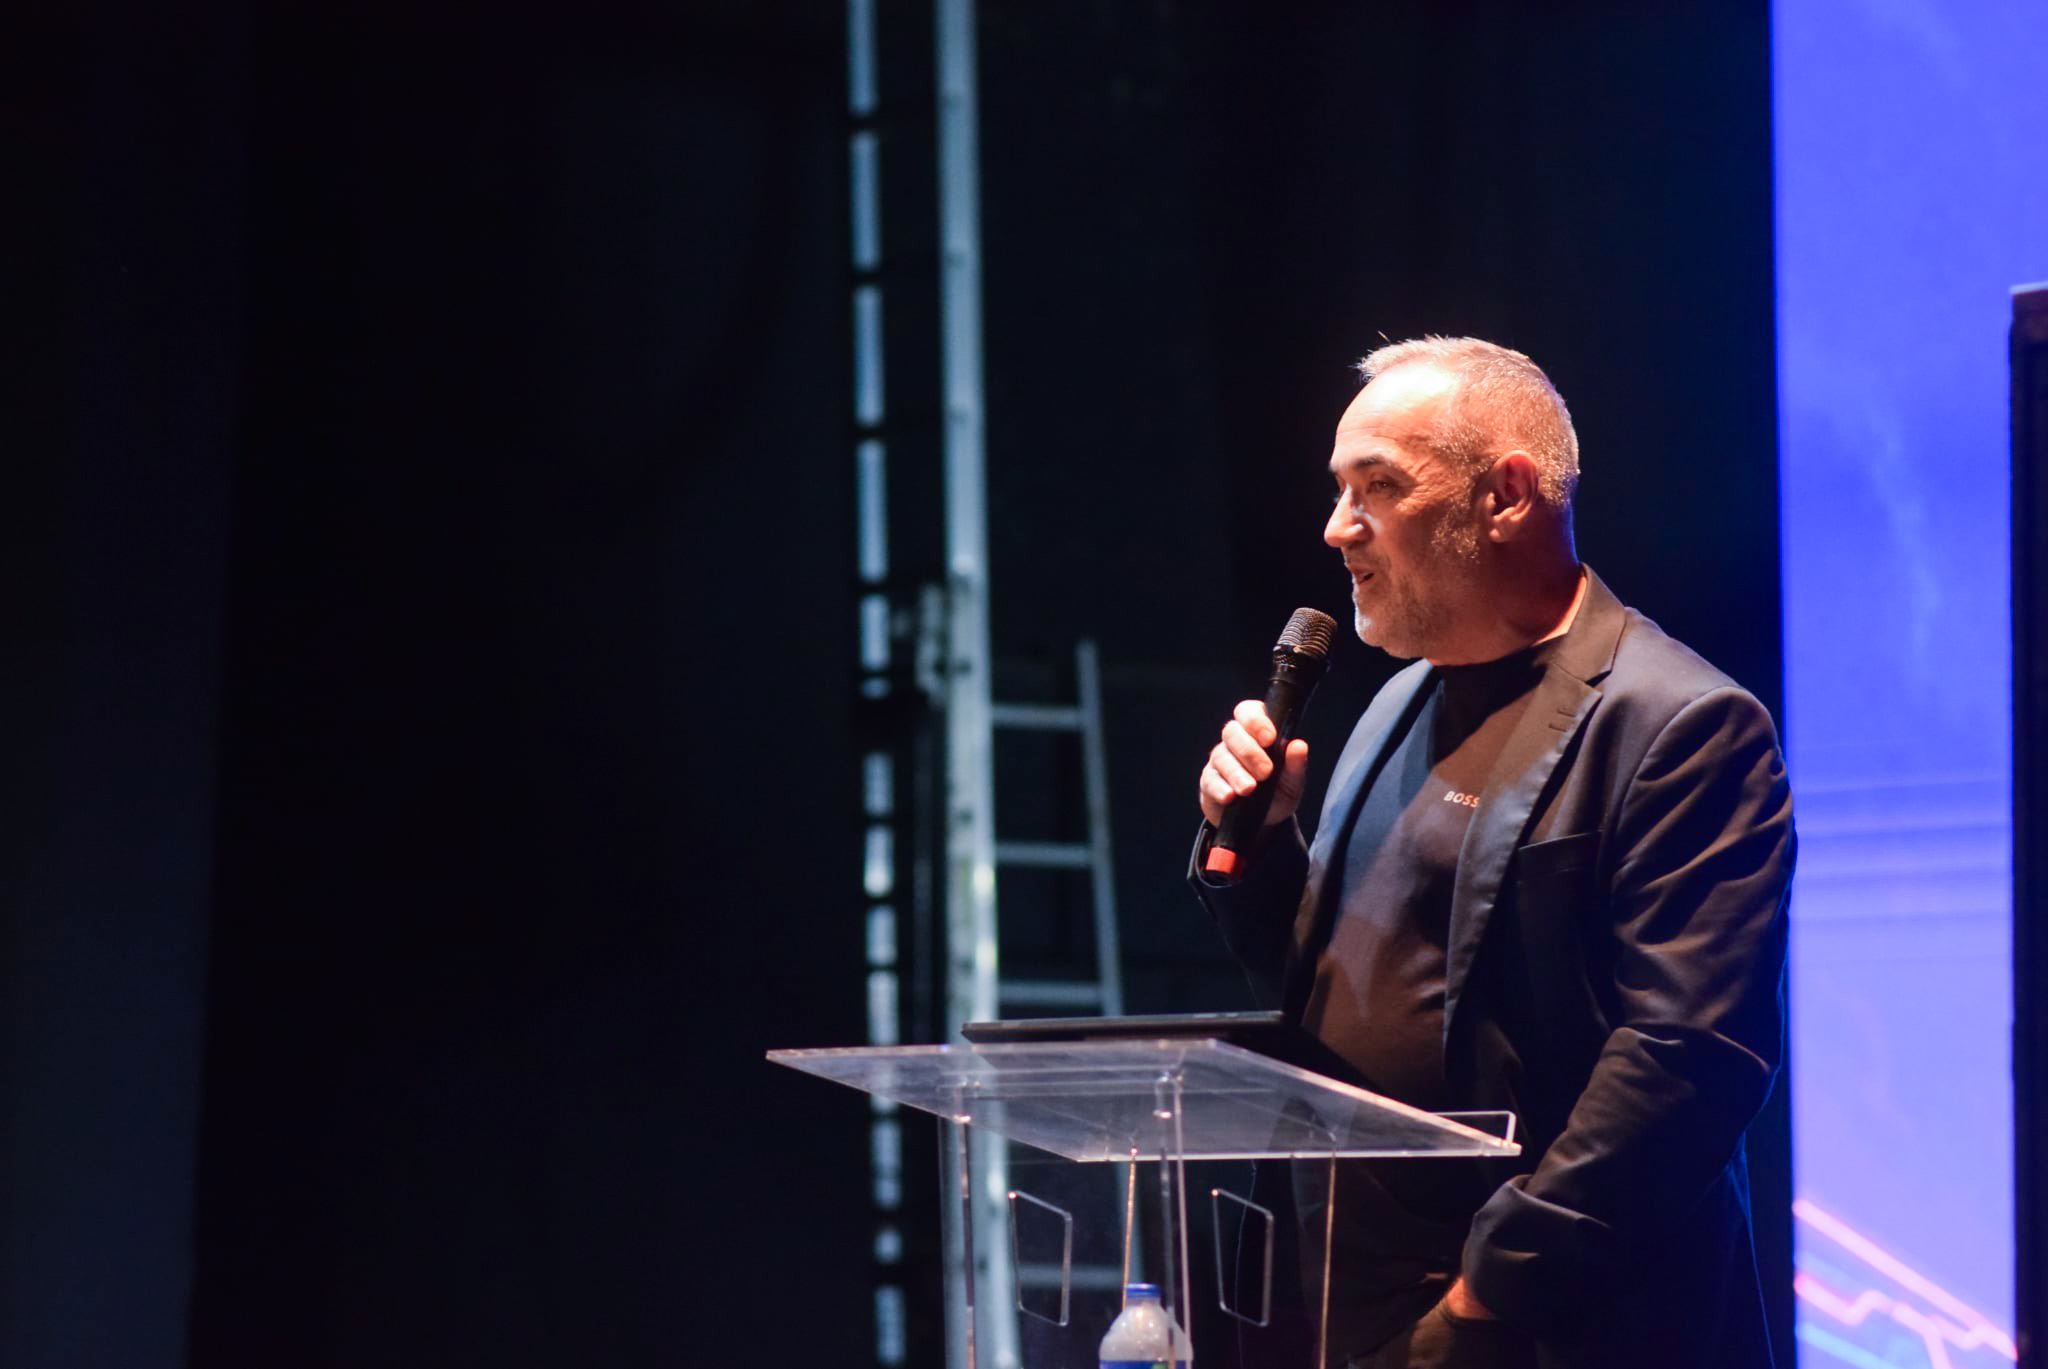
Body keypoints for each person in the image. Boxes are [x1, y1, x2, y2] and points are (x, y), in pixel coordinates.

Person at [1191, 337, 1793, 1369]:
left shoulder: (1680, 724)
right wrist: (1264, 841)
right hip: (1346, 1308)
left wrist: (1485, 1301)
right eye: (1338, 489)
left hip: (1542, 1328)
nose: (1337, 526)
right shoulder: (1397, 701)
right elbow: (1336, 989)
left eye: (1378, 486)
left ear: (1505, 496)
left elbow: (1688, 1062)